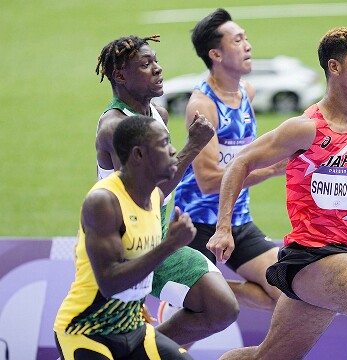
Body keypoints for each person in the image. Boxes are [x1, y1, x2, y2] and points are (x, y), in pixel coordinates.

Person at [209, 27, 347, 359]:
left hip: (338, 262)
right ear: (334, 67)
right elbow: (240, 163)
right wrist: (223, 227)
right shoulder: (305, 128)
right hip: (313, 260)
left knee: (267, 358)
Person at [94, 34, 239, 346]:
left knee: (222, 308)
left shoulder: (158, 114)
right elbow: (144, 196)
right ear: (120, 75)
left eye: (156, 61)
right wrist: (194, 146)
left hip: (158, 237)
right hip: (124, 249)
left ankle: (143, 351)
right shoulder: (115, 127)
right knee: (99, 343)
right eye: (146, 65)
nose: (158, 69)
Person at [54, 115, 194, 359]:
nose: (172, 150)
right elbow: (109, 283)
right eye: (163, 144)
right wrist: (170, 244)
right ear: (138, 155)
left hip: (133, 329)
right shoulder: (104, 202)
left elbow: (171, 178)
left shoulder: (152, 196)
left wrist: (195, 144)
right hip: (86, 330)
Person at [172, 8, 283, 312]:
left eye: (246, 38)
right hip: (196, 223)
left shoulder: (247, 91)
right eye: (237, 40)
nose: (248, 45)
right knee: (199, 322)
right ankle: (199, 296)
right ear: (216, 54)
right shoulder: (202, 105)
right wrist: (272, 169)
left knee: (285, 294)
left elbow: (243, 155)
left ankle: (215, 289)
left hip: (237, 219)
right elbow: (208, 182)